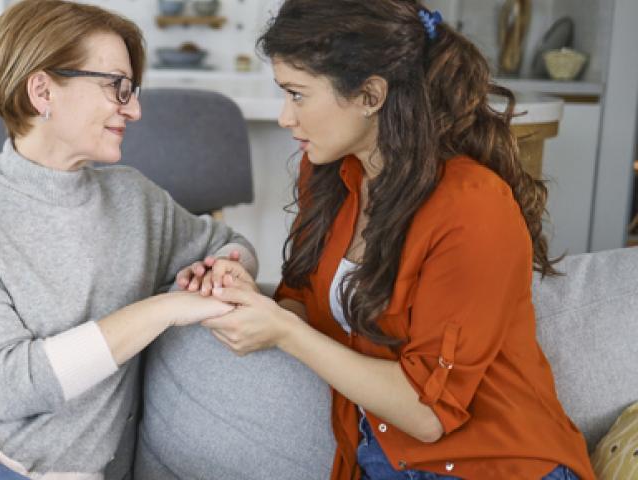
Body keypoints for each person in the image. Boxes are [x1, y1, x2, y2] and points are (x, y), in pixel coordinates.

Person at [0, 1, 257, 478]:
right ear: (43, 90)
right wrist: (164, 308)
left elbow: (230, 244)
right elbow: (2, 387)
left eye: (132, 89)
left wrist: (228, 268)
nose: (135, 108)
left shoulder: (136, 201)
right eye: (116, 87)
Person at [189, 0, 595, 478]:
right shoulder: (330, 175)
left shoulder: (473, 207)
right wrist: (247, 298)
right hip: (375, 459)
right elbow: (303, 296)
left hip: (493, 465)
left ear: (370, 96)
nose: (285, 117)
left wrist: (284, 332)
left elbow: (427, 413)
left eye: (297, 95)